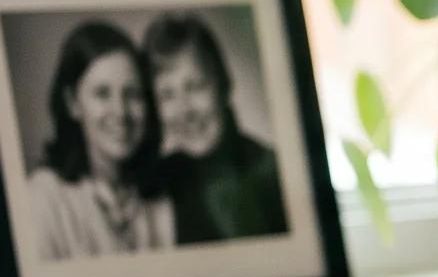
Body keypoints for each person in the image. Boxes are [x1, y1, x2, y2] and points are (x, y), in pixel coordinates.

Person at [27, 19, 173, 259]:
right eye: (102, 94)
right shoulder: (43, 199)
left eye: (132, 94)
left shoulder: (158, 200)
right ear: (73, 103)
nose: (121, 112)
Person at [144, 13, 288, 243]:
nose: (185, 110)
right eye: (167, 95)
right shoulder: (156, 185)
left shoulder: (272, 173)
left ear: (223, 84)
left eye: (196, 86)